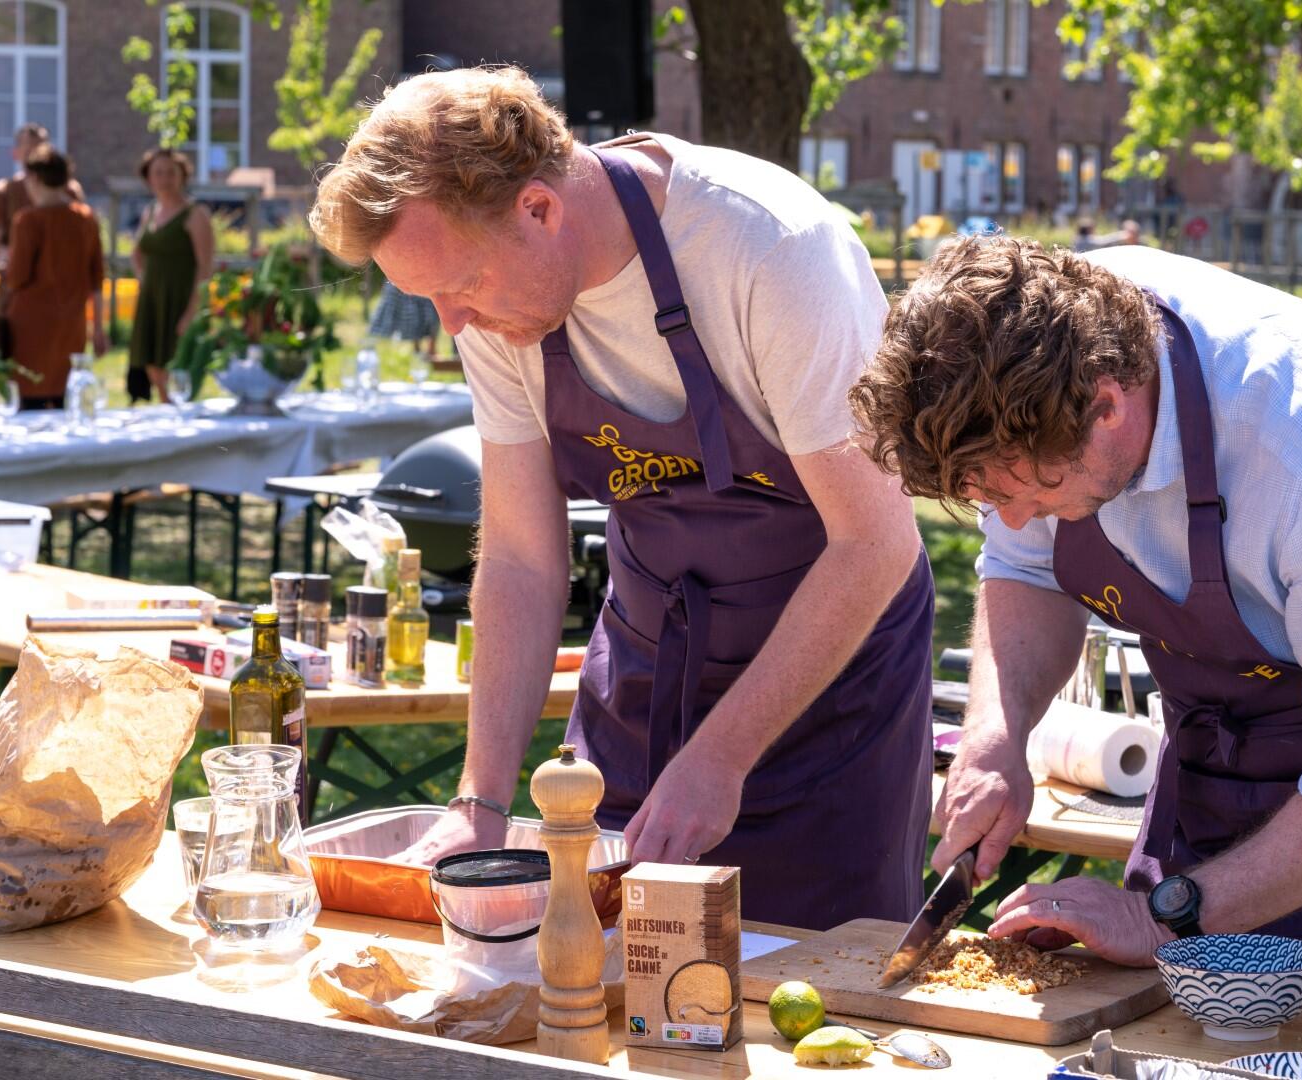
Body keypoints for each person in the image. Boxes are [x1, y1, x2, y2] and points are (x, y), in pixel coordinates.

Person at [309, 67, 934, 930]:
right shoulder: (496, 304)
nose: (452, 325)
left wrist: (720, 756)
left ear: (538, 209)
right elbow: (525, 556)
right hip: (647, 669)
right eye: (429, 301)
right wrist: (480, 801)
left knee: (806, 993)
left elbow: (874, 542)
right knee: (603, 969)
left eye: (461, 288)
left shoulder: (770, 250)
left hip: (828, 687)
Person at [849, 237, 1302, 990]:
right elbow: (1027, 569)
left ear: (1107, 406)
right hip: (1220, 726)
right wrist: (997, 737)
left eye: (1027, 493)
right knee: (1164, 1026)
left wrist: (1160, 917)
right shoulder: (1031, 350)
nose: (1015, 521)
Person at [7, 147, 106, 409]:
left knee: (29, 405)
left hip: (29, 329)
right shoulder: (86, 218)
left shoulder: (28, 221)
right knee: (66, 401)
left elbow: (17, 277)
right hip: (71, 326)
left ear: (35, 178)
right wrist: (98, 329)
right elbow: (97, 278)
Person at [129, 148, 213, 402]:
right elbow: (137, 253)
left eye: (170, 172)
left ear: (182, 175)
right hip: (153, 299)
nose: (164, 178)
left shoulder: (195, 214)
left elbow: (205, 267)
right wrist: (145, 280)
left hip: (181, 298)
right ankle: (165, 410)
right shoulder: (150, 212)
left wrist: (192, 311)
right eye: (158, 173)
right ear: (149, 178)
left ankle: (177, 412)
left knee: (176, 365)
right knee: (151, 363)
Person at [0, 123, 85, 271]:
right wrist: (19, 265)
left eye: (41, 150)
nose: (37, 158)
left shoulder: (71, 191)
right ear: (16, 153)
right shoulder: (3, 193)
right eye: (30, 151)